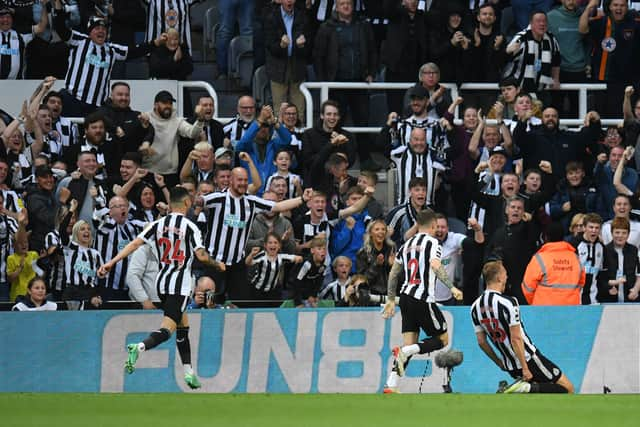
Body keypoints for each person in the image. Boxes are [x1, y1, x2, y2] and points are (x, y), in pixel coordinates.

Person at [98, 187, 225, 389]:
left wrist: (110, 263)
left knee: (183, 327)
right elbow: (201, 256)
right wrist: (217, 264)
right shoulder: (190, 226)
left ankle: (189, 372)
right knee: (168, 329)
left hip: (162, 283)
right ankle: (139, 347)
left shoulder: (157, 224)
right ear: (185, 203)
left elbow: (134, 244)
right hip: (180, 284)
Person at [199, 167, 314, 304]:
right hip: (215, 261)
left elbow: (278, 207)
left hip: (237, 263)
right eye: (239, 180)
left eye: (245, 180)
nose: (243, 183)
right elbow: (199, 201)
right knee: (209, 302)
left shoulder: (251, 201)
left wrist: (302, 198)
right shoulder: (218, 198)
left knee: (242, 304)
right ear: (231, 180)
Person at [381, 209, 463, 394]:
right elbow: (435, 265)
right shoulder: (433, 243)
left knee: (410, 342)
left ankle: (391, 384)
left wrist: (391, 299)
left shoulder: (406, 244)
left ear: (417, 225)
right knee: (442, 339)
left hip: (405, 299)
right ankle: (407, 352)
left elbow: (394, 273)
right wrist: (452, 287)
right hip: (423, 299)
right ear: (433, 225)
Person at [471, 260, 575, 393]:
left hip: (510, 366)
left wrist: (499, 362)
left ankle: (527, 389)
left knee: (541, 395)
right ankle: (525, 388)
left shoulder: (475, 307)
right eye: (505, 274)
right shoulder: (509, 302)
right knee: (568, 388)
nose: (507, 277)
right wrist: (525, 367)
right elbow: (516, 338)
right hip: (528, 359)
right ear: (499, 277)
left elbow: (481, 341)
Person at [52, 0, 165, 116]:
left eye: (103, 29)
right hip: (73, 100)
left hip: (96, 106)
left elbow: (134, 51)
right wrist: (57, 5)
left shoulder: (111, 50)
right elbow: (61, 28)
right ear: (90, 32)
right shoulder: (79, 40)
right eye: (97, 29)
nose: (101, 31)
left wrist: (155, 43)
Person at [579, 0, 640, 117]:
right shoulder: (600, 22)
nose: (619, 8)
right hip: (603, 79)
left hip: (627, 81)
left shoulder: (635, 23)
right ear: (610, 7)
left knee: (622, 118)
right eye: (615, 5)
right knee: (601, 117)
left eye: (622, 5)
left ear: (627, 8)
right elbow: (582, 29)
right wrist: (590, 7)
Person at [139, 91, 205, 185]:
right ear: (156, 104)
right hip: (148, 172)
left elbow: (192, 133)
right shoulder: (146, 118)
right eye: (164, 103)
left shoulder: (177, 121)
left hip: (170, 175)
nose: (168, 106)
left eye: (170, 103)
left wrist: (200, 119)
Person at [264, 0, 310, 120]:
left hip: (297, 66)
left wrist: (301, 47)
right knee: (279, 109)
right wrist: (281, 46)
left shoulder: (303, 17)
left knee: (299, 109)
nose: (289, 1)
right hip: (277, 68)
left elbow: (310, 48)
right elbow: (269, 46)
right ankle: (279, 136)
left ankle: (298, 136)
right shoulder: (271, 17)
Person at [521, 222, 586, 305]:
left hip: (544, 310)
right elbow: (581, 283)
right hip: (570, 309)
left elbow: (527, 287)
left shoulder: (539, 258)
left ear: (546, 237)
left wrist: (535, 302)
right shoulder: (575, 258)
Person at [502, 10, 561, 94]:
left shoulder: (551, 39)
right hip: (519, 91)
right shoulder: (521, 38)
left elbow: (556, 61)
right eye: (538, 21)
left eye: (544, 21)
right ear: (531, 23)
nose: (542, 24)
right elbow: (504, 59)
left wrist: (555, 79)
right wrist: (507, 52)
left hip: (541, 90)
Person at [245, 233, 303, 302]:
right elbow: (248, 263)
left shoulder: (280, 257)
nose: (273, 245)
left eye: (275, 243)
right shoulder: (262, 255)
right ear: (265, 245)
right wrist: (251, 255)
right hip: (257, 289)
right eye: (270, 243)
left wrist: (299, 259)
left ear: (279, 246)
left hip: (272, 291)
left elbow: (297, 257)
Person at [0, 3, 48, 79]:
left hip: (17, 83)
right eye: (2, 17)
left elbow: (41, 27)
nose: (5, 20)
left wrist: (43, 6)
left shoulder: (20, 33)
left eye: (8, 17)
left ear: (12, 20)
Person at [598, 217, 640, 303]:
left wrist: (636, 289)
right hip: (609, 299)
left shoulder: (634, 250)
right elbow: (599, 278)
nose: (620, 236)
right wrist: (608, 288)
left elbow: (638, 273)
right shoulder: (604, 250)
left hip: (630, 298)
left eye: (624, 233)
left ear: (628, 234)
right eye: (617, 232)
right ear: (611, 233)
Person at [569, 213, 605, 305]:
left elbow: (601, 272)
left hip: (593, 299)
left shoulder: (601, 246)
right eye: (591, 227)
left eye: (597, 228)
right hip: (575, 299)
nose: (594, 230)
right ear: (584, 228)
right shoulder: (574, 244)